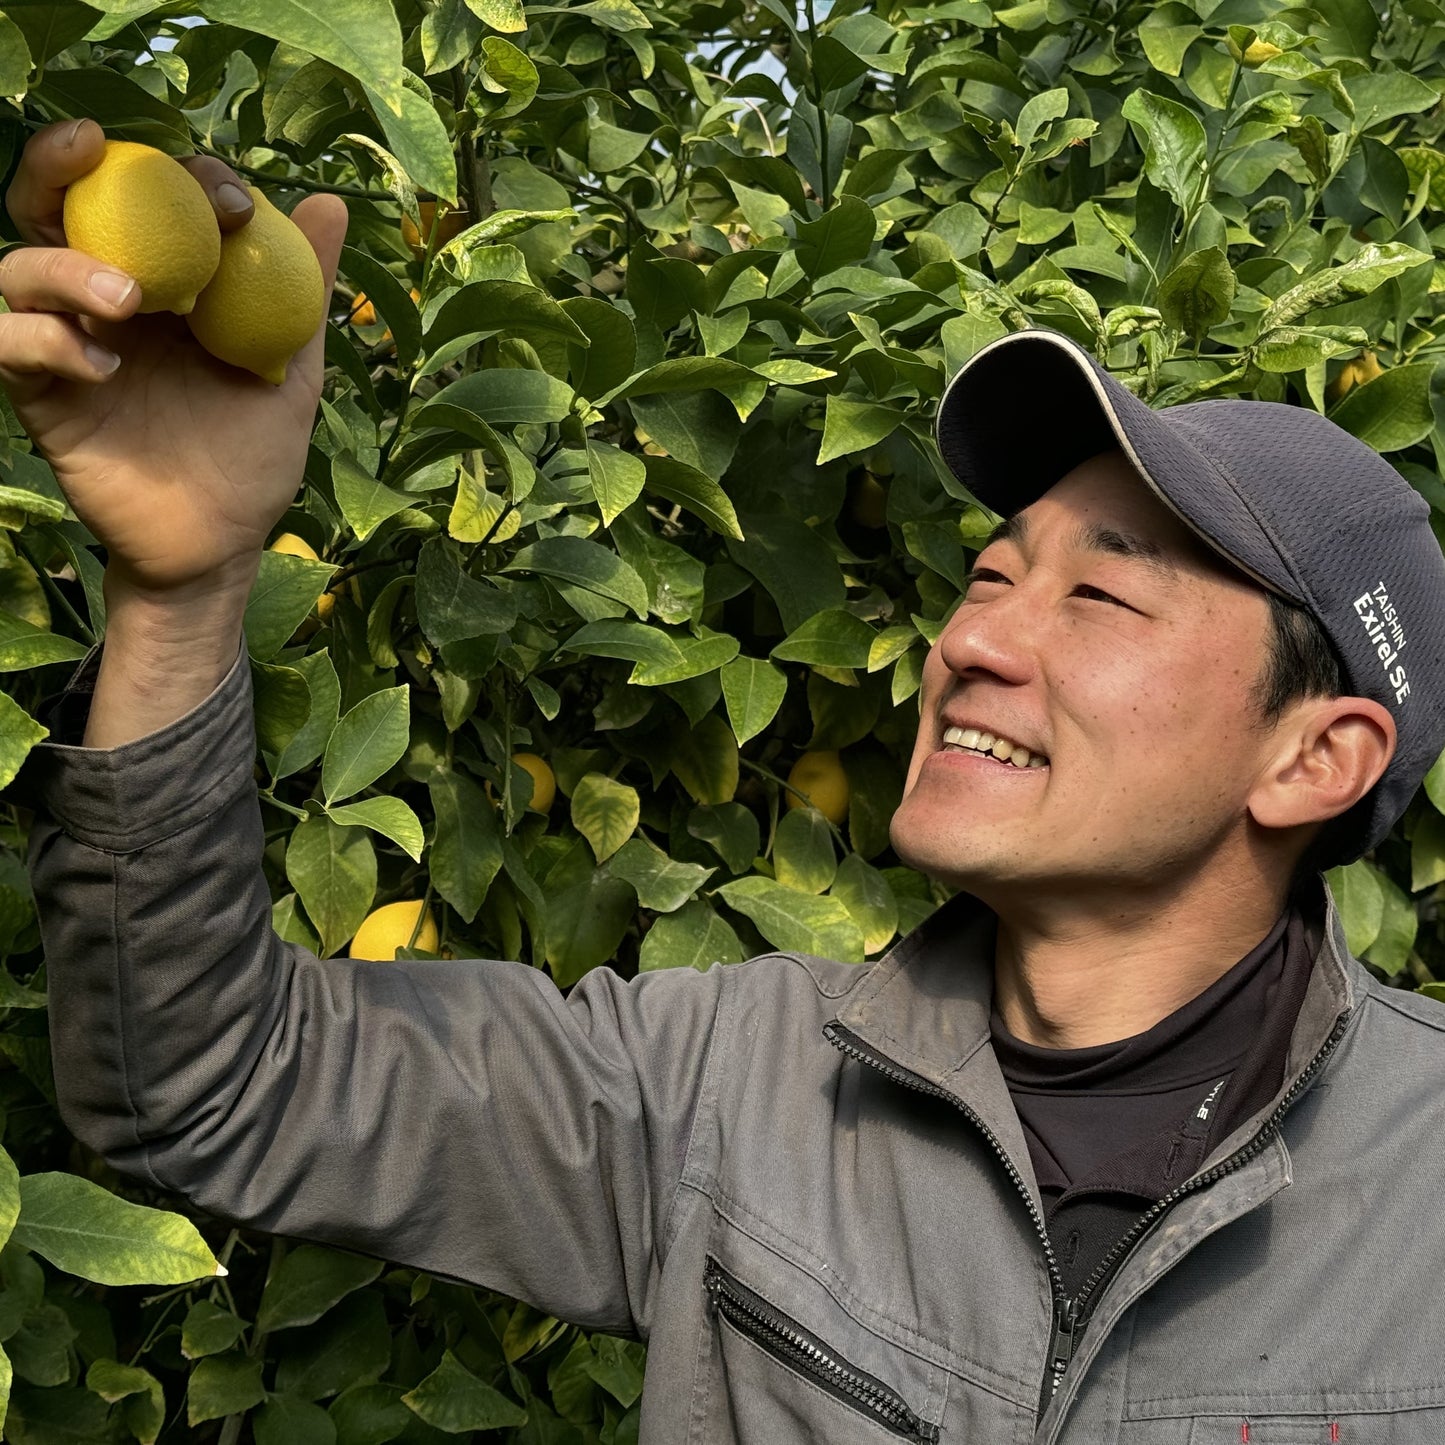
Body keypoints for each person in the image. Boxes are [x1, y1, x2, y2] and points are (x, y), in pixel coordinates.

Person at [3, 118, 1445, 1444]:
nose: (973, 636)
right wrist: (184, 591)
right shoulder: (731, 1089)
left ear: (1312, 756)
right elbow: (201, 1081)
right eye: (991, 571)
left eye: (1099, 600)